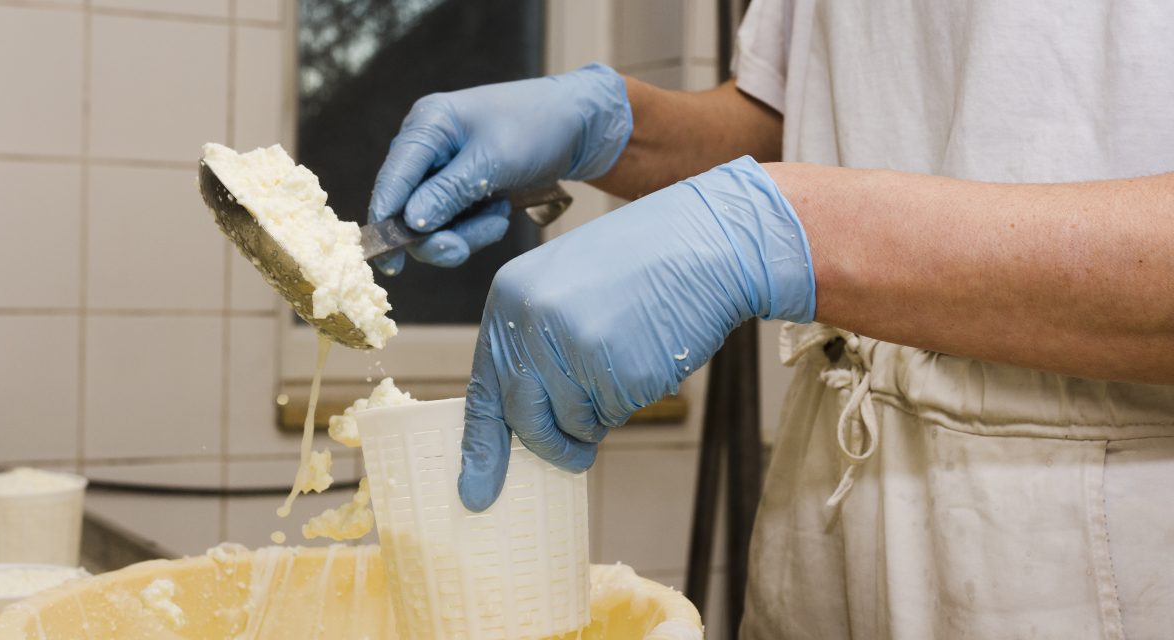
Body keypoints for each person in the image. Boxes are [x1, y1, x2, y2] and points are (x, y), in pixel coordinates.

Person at [370, 2, 1174, 637]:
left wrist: (782, 231)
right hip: (831, 488)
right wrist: (605, 128)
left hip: (1084, 524)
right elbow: (800, 117)